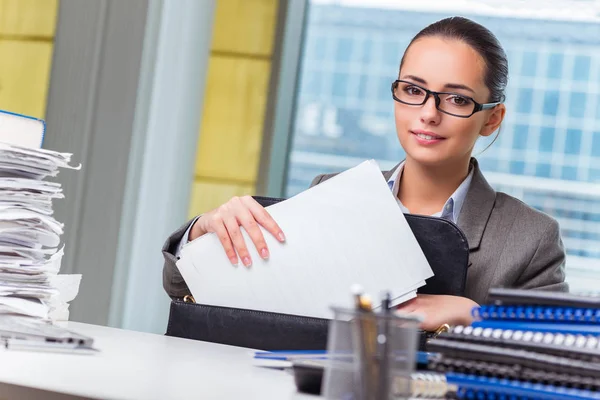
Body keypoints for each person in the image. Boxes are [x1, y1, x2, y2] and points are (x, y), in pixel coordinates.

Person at [162, 16, 568, 331]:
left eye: (457, 99)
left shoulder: (529, 239)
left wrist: (473, 315)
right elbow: (188, 292)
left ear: (491, 119)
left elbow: (562, 361)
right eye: (413, 90)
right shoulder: (330, 193)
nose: (428, 113)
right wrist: (204, 237)